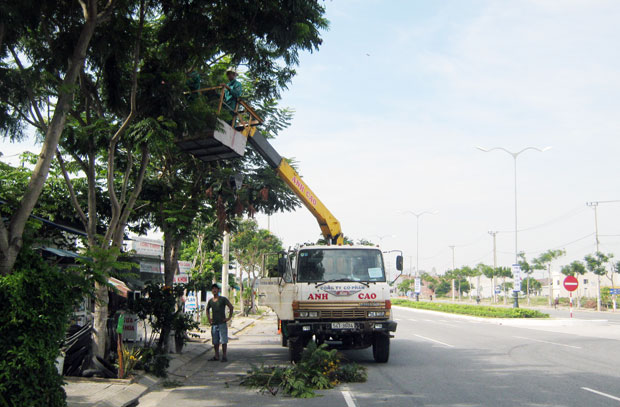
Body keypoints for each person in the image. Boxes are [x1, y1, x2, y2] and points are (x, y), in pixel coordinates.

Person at [206, 283, 234, 362]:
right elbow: (207, 309)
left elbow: (231, 307)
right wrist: (209, 319)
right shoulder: (211, 301)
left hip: (222, 323)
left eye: (216, 288)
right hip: (214, 324)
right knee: (215, 341)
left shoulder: (223, 299)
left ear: (219, 290)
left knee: (223, 340)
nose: (214, 290)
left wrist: (228, 318)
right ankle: (216, 355)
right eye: (213, 289)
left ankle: (224, 356)